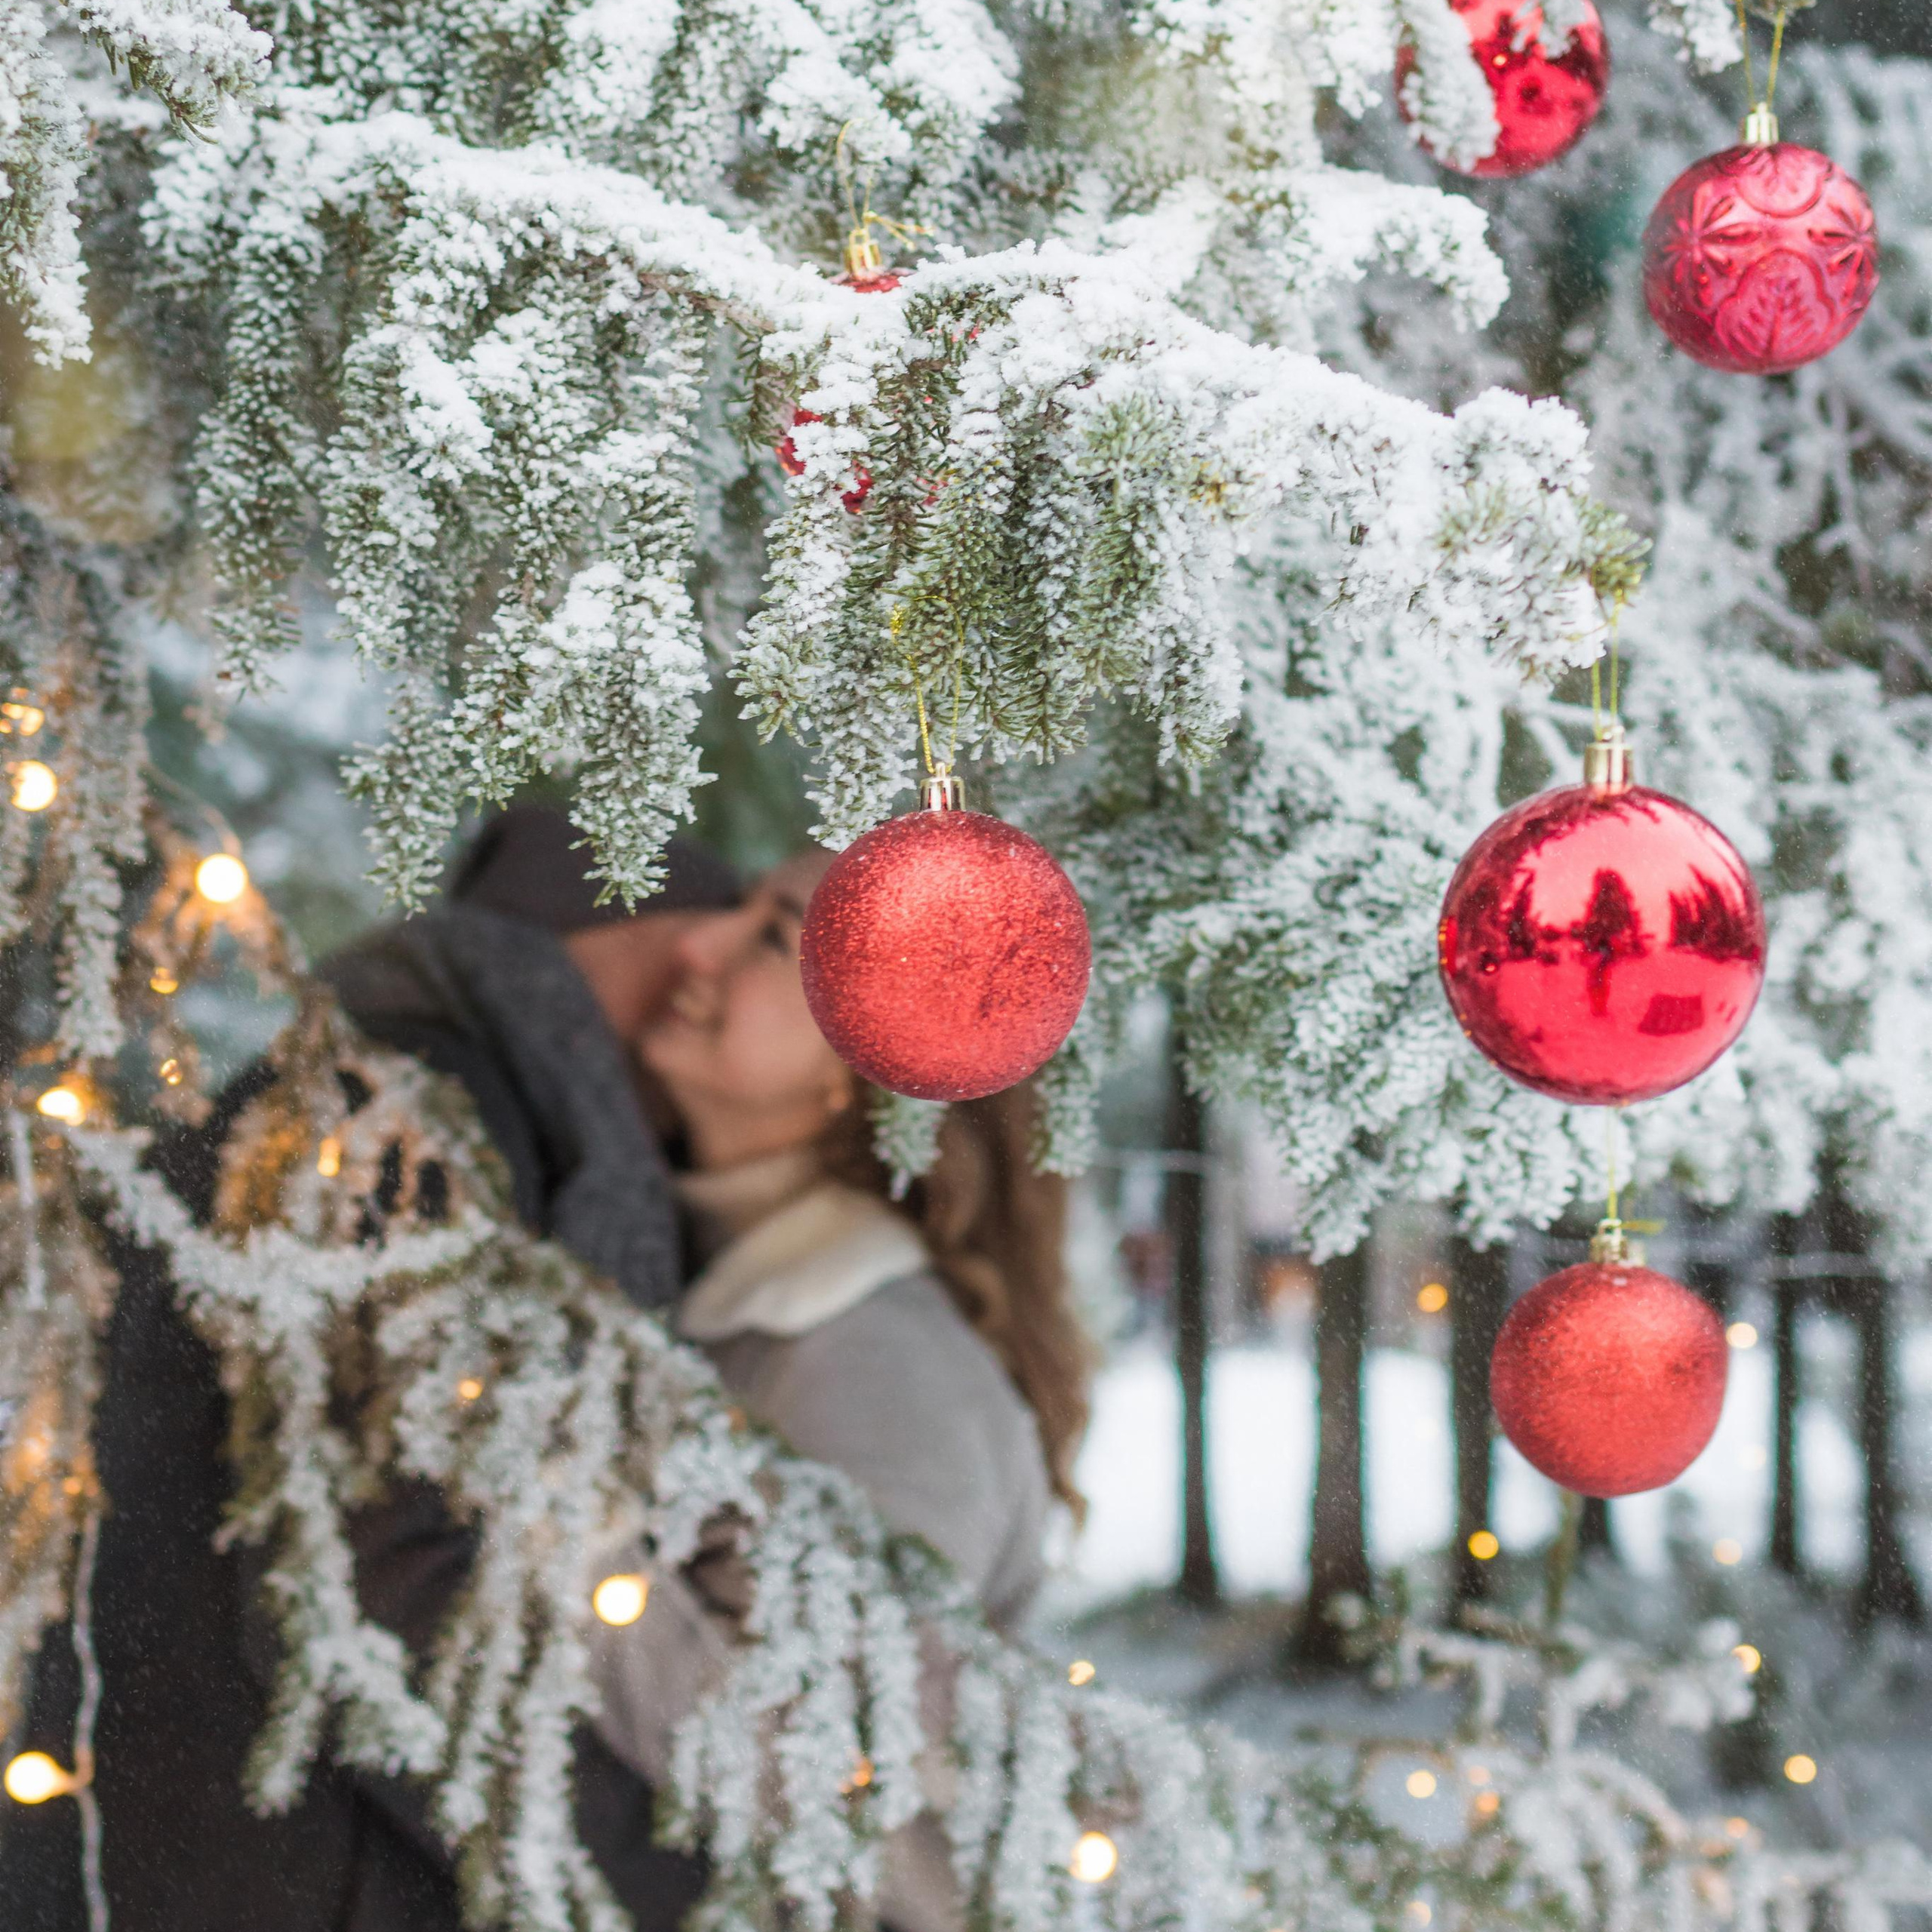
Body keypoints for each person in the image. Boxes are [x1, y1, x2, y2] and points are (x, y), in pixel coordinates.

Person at [0, 809, 739, 1932]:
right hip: (258, 1857)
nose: (715, 979)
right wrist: (678, 1880)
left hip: (197, 1830)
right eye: (733, 938)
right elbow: (388, 1581)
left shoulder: (402, 1088)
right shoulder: (414, 1121)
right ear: (651, 931)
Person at [584, 853, 1094, 1930]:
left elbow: (820, 1772)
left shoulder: (875, 1364)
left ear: (860, 1063)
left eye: (770, 937)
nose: (695, 945)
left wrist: (552, 1518)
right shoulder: (741, 1289)